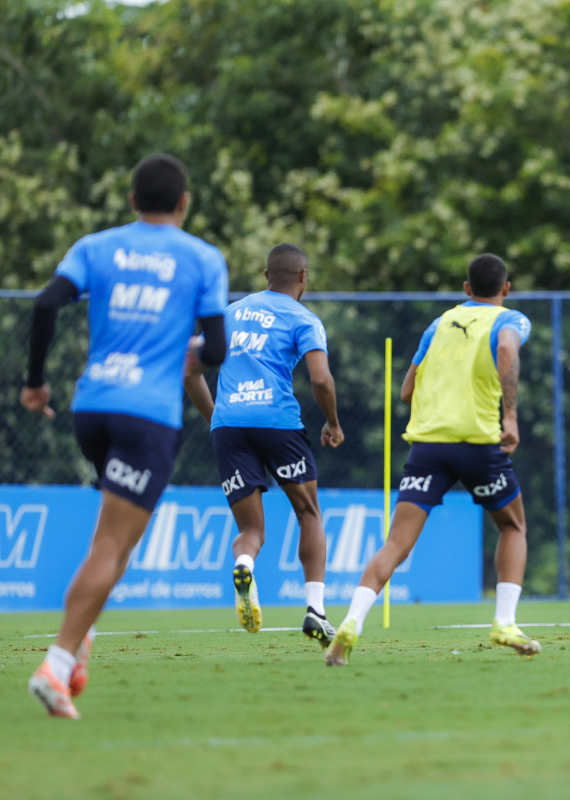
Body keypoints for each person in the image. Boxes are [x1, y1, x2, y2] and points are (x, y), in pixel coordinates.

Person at [21, 154, 229, 719]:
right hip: (148, 414)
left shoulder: (96, 246)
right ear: (184, 203)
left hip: (93, 408)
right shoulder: (203, 259)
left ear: (133, 202)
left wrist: (36, 384)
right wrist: (184, 352)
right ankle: (57, 665)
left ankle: (80, 642)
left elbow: (45, 304)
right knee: (113, 543)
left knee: (115, 538)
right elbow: (215, 352)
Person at [324, 254, 537, 665]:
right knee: (513, 525)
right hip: (477, 443)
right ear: (506, 290)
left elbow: (407, 390)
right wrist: (509, 415)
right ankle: (505, 622)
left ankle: (351, 622)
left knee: (396, 543)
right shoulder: (509, 320)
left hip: (428, 446)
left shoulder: (438, 324)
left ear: (465, 289)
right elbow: (508, 348)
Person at [183, 243, 345, 646]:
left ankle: (243, 563)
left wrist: (216, 417)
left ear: (265, 274)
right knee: (308, 512)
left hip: (230, 425)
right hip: (278, 423)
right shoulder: (303, 318)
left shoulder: (231, 314)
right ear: (303, 277)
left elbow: (189, 370)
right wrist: (332, 422)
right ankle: (316, 612)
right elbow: (321, 380)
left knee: (251, 529)